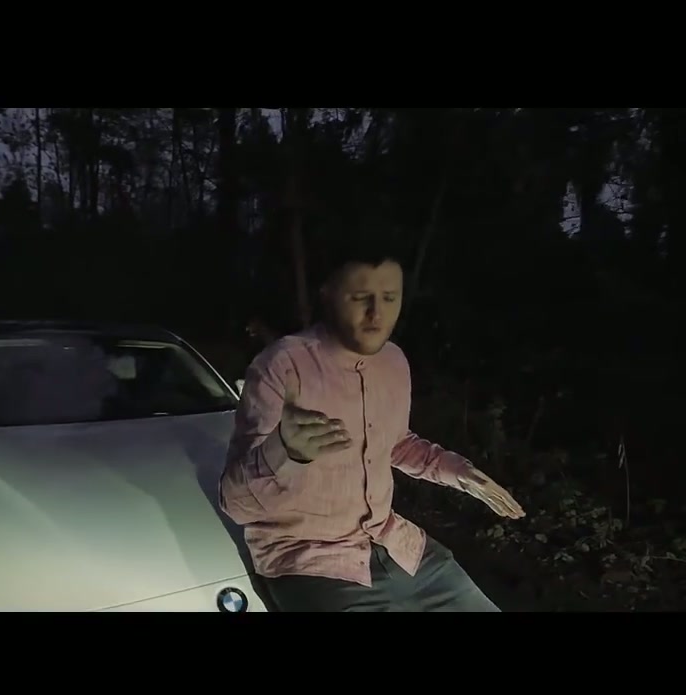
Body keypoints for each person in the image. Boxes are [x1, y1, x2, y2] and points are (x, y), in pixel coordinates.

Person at [218, 239, 526, 612]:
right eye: (360, 297)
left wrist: (460, 472)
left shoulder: (394, 361)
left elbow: (397, 443)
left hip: (397, 546)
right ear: (328, 294)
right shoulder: (281, 366)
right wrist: (283, 450)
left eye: (389, 298)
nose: (376, 314)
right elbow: (236, 505)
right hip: (310, 561)